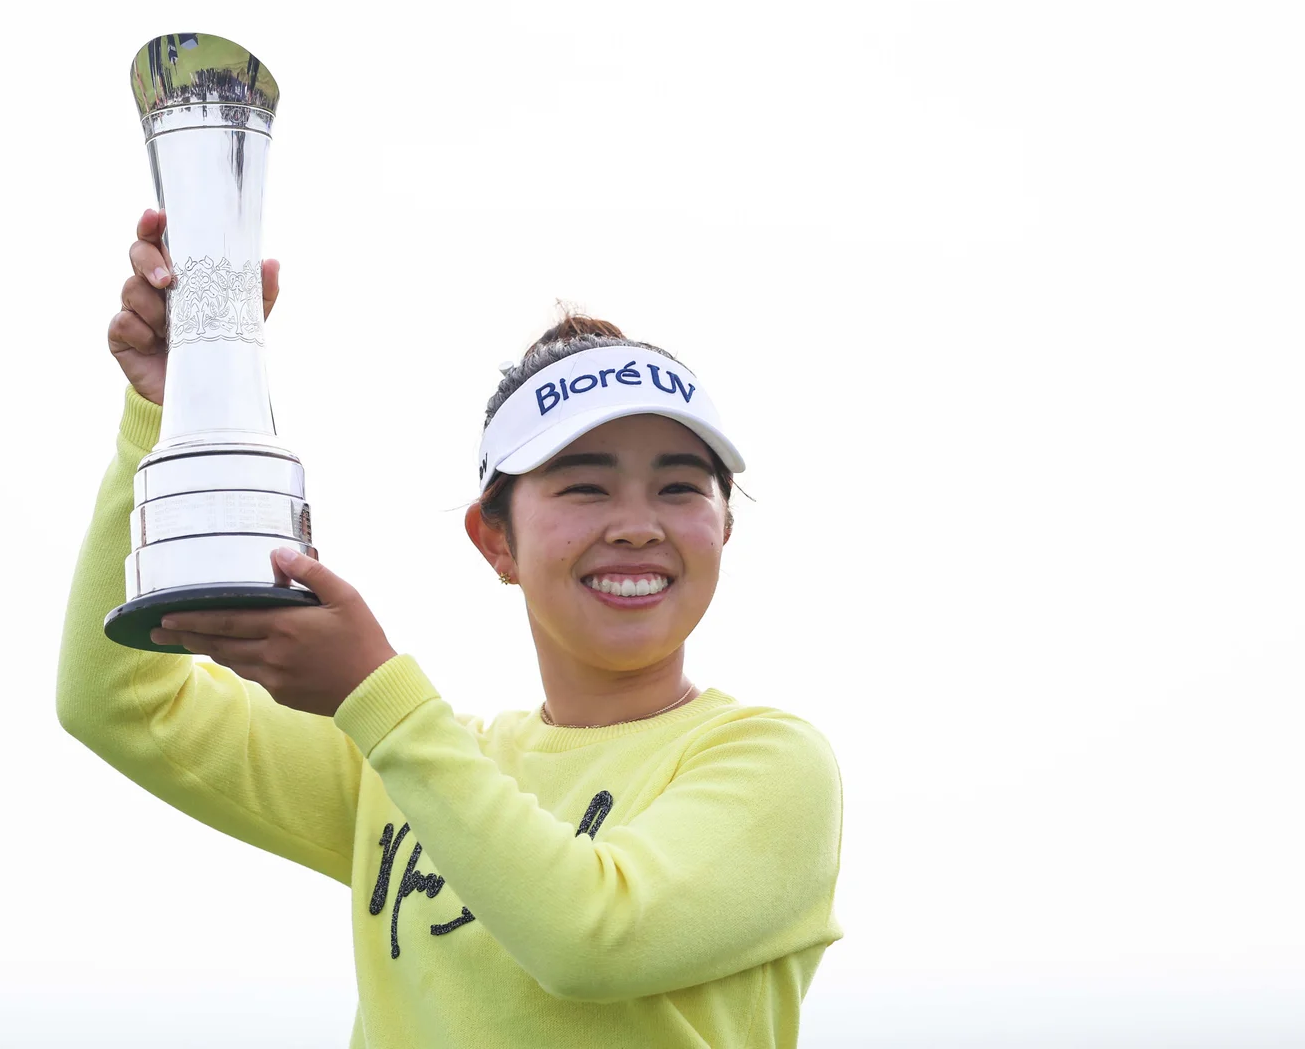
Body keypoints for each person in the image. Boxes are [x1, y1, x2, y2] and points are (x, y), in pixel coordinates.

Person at [57, 208, 845, 1047]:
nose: (638, 524)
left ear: (725, 526)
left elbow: (591, 937)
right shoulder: (402, 764)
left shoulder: (772, 763)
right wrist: (169, 414)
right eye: (585, 487)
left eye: (681, 487)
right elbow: (119, 700)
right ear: (494, 539)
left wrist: (376, 696)